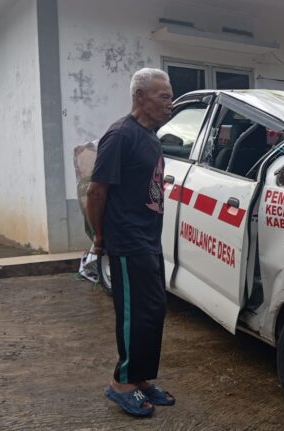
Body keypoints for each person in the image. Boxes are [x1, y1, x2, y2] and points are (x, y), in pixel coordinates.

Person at [87, 67, 175, 417]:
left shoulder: (151, 136)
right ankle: (121, 383)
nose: (170, 104)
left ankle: (140, 378)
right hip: (126, 240)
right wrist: (99, 238)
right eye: (164, 96)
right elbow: (96, 191)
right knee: (132, 315)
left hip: (148, 239)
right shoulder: (120, 135)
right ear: (140, 97)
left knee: (154, 312)